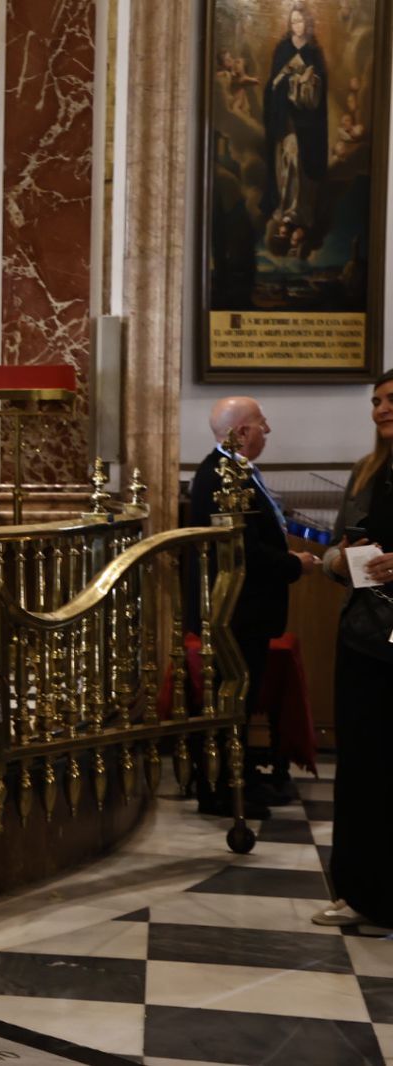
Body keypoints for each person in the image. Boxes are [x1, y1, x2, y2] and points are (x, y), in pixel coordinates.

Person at [187, 396, 317, 816]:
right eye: (262, 422)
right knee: (231, 699)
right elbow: (242, 551)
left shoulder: (236, 470)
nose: (269, 430)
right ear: (241, 431)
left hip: (247, 612)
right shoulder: (218, 476)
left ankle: (238, 776)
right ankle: (224, 788)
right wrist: (293, 564)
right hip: (233, 614)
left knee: (240, 699)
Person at [315, 368, 393, 928]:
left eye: (391, 400)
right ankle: (360, 890)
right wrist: (339, 560)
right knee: (362, 767)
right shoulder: (365, 471)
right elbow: (334, 552)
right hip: (363, 636)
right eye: (376, 402)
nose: (381, 409)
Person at [263, 2, 328, 242]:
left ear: (307, 23)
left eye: (300, 21)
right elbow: (272, 86)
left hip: (308, 123)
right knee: (287, 161)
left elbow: (320, 92)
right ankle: (285, 213)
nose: (296, 26)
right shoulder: (282, 49)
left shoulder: (314, 52)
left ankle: (299, 216)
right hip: (286, 118)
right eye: (293, 22)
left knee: (302, 163)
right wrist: (290, 80)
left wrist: (310, 81)